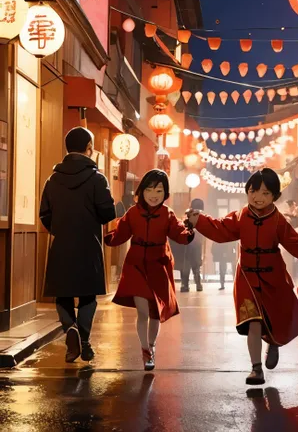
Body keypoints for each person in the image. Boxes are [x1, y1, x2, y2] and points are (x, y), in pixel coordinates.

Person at [186, 168, 298, 386]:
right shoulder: (240, 217)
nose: (258, 197)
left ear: (275, 196)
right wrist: (198, 220)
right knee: (254, 322)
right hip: (247, 277)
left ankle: (274, 343)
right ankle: (256, 369)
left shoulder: (278, 220)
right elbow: (220, 229)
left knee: (274, 319)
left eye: (266, 193)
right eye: (253, 191)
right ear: (247, 192)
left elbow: (294, 242)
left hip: (273, 276)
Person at [39, 127, 116, 364]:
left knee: (63, 296)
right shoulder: (97, 178)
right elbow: (107, 213)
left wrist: (60, 230)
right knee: (87, 297)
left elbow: (45, 214)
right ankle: (83, 340)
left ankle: (70, 330)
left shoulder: (52, 179)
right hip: (89, 246)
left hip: (61, 245)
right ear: (89, 148)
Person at [105, 169, 193, 370]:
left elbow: (178, 232)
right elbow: (121, 233)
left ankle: (151, 347)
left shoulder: (167, 214)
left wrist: (188, 233)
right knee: (143, 311)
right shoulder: (132, 213)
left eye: (159, 191)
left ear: (165, 193)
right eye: (150, 189)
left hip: (158, 264)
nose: (154, 194)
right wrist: (108, 238)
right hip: (135, 264)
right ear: (142, 191)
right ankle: (145, 349)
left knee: (155, 313)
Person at [180, 197, 205, 292]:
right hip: (196, 245)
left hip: (187, 244)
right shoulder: (201, 216)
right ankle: (198, 285)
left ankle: (185, 285)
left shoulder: (187, 215)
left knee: (186, 267)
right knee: (196, 267)